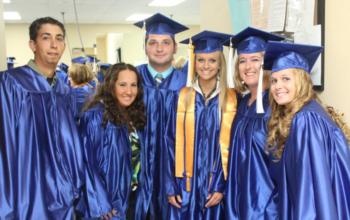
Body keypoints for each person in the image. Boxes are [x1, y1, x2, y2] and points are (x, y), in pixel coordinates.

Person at [0, 16, 112, 219]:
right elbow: (5, 146)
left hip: (62, 193)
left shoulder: (62, 89)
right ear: (32, 44)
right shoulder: (10, 83)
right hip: (26, 194)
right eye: (46, 37)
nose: (54, 44)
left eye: (59, 38)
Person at [264, 41, 350, 219]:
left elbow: (311, 191)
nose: (277, 86)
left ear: (302, 81)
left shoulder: (305, 120)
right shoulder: (309, 111)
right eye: (274, 80)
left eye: (286, 79)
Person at [164, 30, 237, 219]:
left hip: (214, 187)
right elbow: (169, 142)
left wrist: (221, 186)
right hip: (184, 185)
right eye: (201, 60)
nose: (206, 66)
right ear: (193, 63)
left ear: (220, 64)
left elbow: (233, 149)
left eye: (212, 60)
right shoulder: (181, 97)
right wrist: (171, 185)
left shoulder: (231, 100)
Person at [224, 27, 284, 220]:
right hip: (237, 202)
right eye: (243, 60)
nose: (248, 66)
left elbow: (283, 166)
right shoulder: (240, 104)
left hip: (264, 208)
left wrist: (271, 210)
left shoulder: (275, 106)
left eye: (255, 59)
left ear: (266, 64)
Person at [133, 13, 188, 219]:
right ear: (145, 47)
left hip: (174, 179)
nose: (159, 48)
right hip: (137, 179)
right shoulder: (130, 80)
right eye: (153, 42)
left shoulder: (187, 84)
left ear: (175, 47)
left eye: (166, 42)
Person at [78, 63, 146, 219]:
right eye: (122, 85)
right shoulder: (96, 117)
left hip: (131, 198)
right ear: (110, 85)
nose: (129, 91)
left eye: (133, 85)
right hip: (109, 204)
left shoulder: (132, 115)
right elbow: (87, 163)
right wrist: (101, 204)